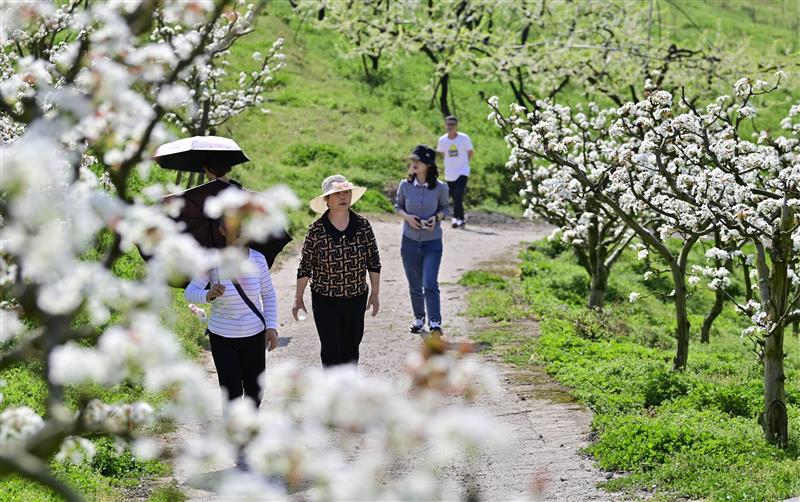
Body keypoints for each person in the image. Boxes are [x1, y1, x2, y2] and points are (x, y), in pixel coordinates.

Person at [184, 221, 279, 407]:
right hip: (222, 337)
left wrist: (272, 327)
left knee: (255, 390)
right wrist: (208, 294)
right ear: (222, 229)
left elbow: (268, 295)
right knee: (231, 391)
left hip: (254, 335)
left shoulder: (258, 259)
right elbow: (190, 292)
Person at [292, 175, 381, 367]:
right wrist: (298, 299)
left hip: (356, 297)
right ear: (326, 200)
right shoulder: (316, 230)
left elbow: (373, 261)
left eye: (346, 192)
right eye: (337, 194)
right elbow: (305, 266)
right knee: (331, 350)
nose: (343, 197)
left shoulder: (363, 226)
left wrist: (375, 293)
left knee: (351, 350)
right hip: (325, 299)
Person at [396, 145, 449, 337]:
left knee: (429, 282)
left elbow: (446, 209)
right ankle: (419, 318)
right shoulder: (404, 185)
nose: (413, 164)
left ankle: (435, 322)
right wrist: (408, 217)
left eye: (418, 161)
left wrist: (436, 218)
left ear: (428, 165)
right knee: (414, 283)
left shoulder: (441, 188)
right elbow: (398, 206)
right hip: (409, 242)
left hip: (432, 243)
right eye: (412, 160)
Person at [436, 115, 474, 229]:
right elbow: (442, 153)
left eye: (453, 124)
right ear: (445, 125)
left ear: (456, 126)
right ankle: (461, 218)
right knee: (454, 197)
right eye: (448, 124)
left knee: (458, 195)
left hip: (463, 171)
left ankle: (455, 218)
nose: (450, 127)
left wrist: (464, 163)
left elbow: (470, 152)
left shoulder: (464, 138)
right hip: (450, 173)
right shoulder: (442, 140)